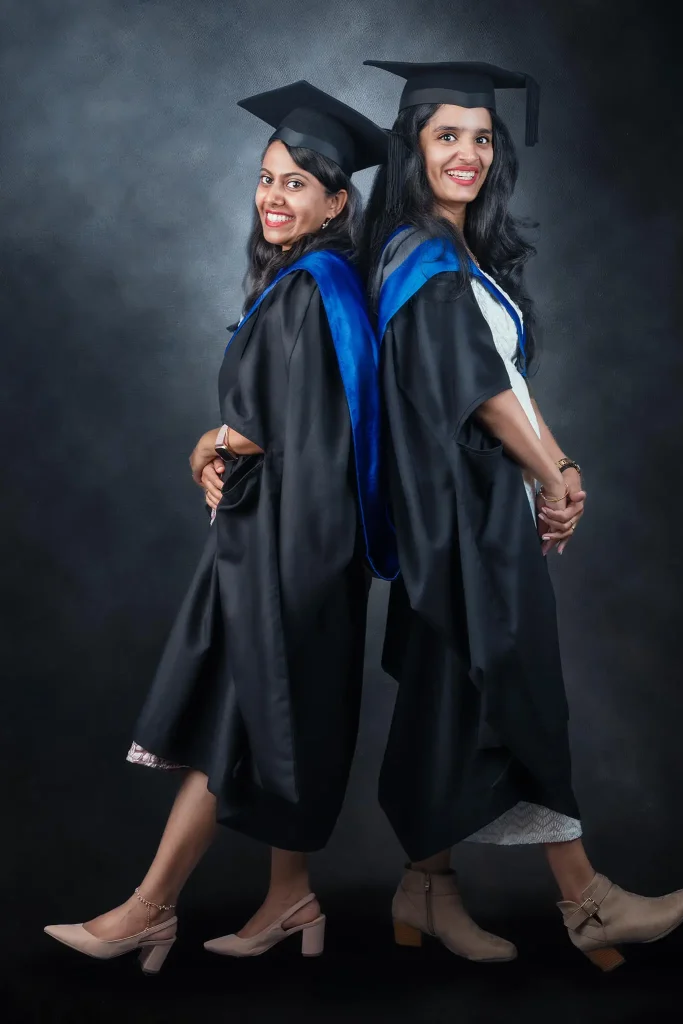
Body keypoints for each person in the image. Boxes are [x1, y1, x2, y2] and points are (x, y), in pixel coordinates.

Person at [44, 81, 394, 973]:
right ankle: (290, 896)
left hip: (290, 552)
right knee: (274, 721)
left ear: (337, 202)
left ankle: (149, 909)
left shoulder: (317, 291)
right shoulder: (308, 284)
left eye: (297, 186)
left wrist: (215, 440)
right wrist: (225, 443)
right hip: (278, 540)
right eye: (267, 178)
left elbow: (308, 435)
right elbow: (286, 419)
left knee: (241, 721)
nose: (274, 198)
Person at [360, 59, 683, 971]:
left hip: (474, 511)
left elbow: (505, 378)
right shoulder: (419, 257)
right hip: (460, 521)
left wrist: (561, 461)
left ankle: (424, 889)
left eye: (481, 136)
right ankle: (587, 902)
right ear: (413, 148)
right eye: (446, 136)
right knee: (517, 694)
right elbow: (474, 390)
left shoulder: (457, 253)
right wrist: (548, 472)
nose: (468, 152)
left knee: (449, 697)